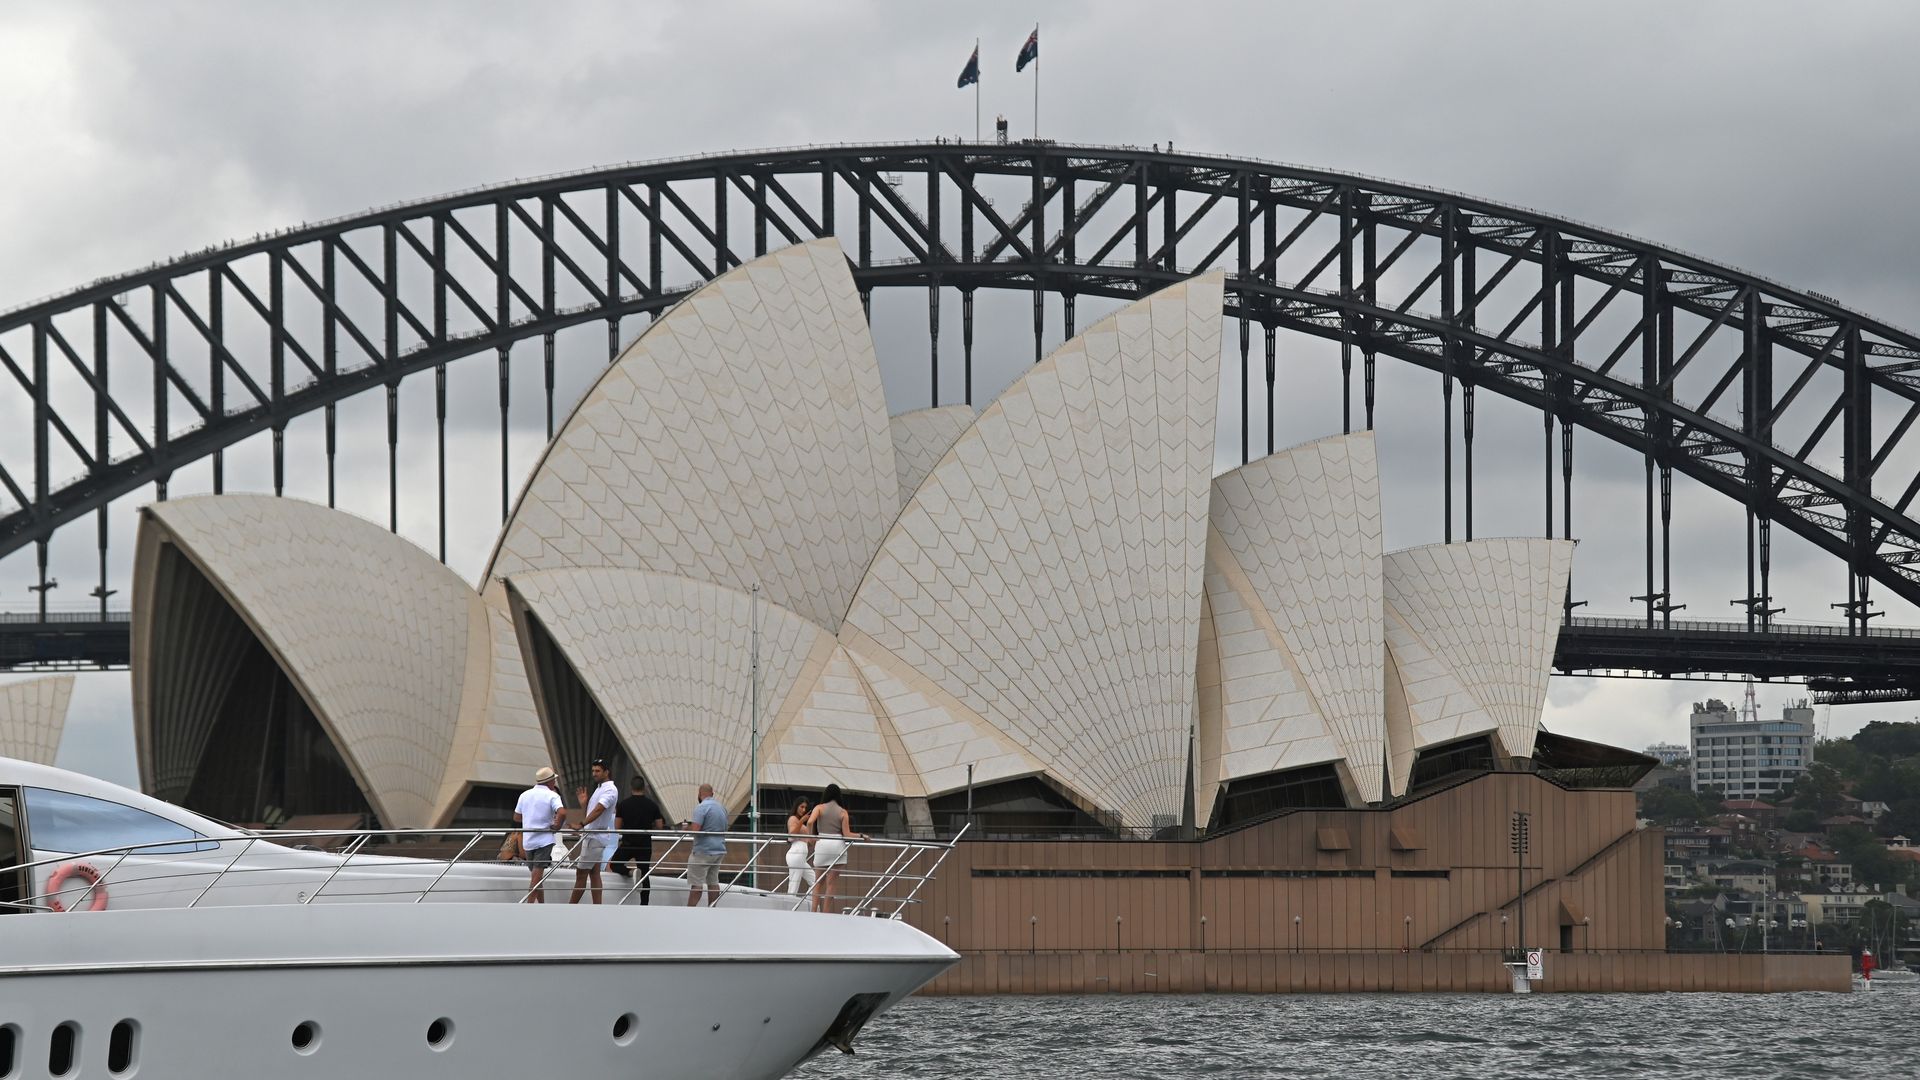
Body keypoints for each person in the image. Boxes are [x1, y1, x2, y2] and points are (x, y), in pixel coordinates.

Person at [806, 784, 867, 913]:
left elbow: (810, 822)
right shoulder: (843, 812)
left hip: (822, 844)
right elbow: (847, 835)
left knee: (818, 882)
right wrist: (862, 835)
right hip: (837, 846)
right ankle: (826, 912)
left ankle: (813, 912)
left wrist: (811, 838)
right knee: (831, 884)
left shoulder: (819, 808)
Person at [569, 759, 620, 905]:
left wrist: (581, 824)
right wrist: (584, 804)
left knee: (581, 874)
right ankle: (598, 907)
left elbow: (599, 809)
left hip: (595, 837)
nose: (594, 774)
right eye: (593, 771)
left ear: (606, 771)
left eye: (597, 771)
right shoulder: (600, 788)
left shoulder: (610, 789)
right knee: (594, 873)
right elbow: (593, 812)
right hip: (594, 836)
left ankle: (570, 907)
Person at [512, 766, 566, 903]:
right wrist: (556, 826)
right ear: (550, 782)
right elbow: (562, 812)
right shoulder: (552, 795)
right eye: (554, 780)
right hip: (544, 840)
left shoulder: (524, 795)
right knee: (536, 878)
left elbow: (517, 817)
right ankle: (529, 907)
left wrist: (531, 819)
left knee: (536, 876)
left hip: (528, 841)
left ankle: (541, 905)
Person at [611, 776, 665, 905]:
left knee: (614, 864)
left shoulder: (623, 804)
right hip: (645, 844)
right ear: (644, 788)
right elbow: (660, 826)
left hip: (628, 843)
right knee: (645, 873)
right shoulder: (652, 805)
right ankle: (644, 904)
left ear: (631, 788)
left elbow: (617, 827)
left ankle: (630, 872)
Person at [684, 783, 729, 907]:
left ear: (699, 794)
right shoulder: (722, 808)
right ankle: (712, 908)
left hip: (703, 851)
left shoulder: (701, 807)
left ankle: (690, 911)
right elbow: (725, 827)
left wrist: (686, 828)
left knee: (697, 884)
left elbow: (696, 830)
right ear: (712, 794)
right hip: (719, 850)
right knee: (713, 882)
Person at [784, 798, 816, 899]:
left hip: (800, 857)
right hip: (796, 854)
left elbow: (810, 842)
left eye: (805, 808)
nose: (803, 810)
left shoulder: (801, 823)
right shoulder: (793, 819)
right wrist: (802, 821)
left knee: (815, 880)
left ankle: (807, 902)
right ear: (796, 806)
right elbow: (792, 835)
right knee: (794, 884)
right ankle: (790, 910)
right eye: (801, 807)